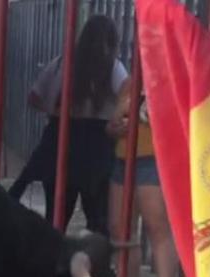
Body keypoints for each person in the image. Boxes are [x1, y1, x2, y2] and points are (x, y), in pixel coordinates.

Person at [8, 15, 128, 235]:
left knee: (56, 217)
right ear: (113, 40)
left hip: (60, 139)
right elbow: (128, 97)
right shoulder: (114, 68)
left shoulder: (62, 63)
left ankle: (51, 263)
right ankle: (91, 265)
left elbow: (34, 97)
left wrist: (57, 112)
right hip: (97, 146)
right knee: (97, 219)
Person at [107, 86, 178, 277]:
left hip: (154, 158)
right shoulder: (129, 84)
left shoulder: (169, 77)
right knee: (120, 229)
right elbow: (111, 126)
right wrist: (117, 127)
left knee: (157, 228)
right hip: (122, 159)